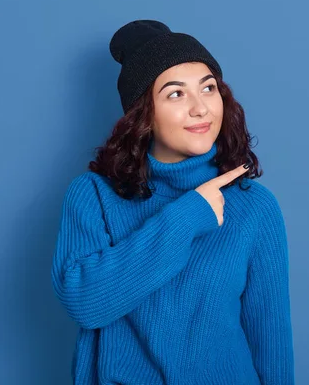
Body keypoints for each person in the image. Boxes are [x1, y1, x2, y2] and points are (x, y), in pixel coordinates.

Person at [50, 19, 294, 384]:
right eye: (176, 93)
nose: (200, 108)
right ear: (142, 113)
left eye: (208, 88)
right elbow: (86, 304)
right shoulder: (94, 195)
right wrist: (185, 217)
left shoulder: (255, 207)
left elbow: (270, 339)